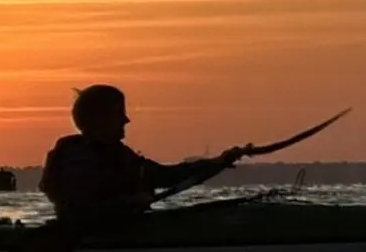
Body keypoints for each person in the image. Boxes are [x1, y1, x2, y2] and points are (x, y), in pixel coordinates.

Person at [39, 84, 244, 228]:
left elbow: (168, 176)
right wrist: (127, 204)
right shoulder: (76, 158)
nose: (126, 120)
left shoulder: (121, 156)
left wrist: (220, 162)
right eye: (119, 114)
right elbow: (79, 207)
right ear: (98, 120)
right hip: (91, 237)